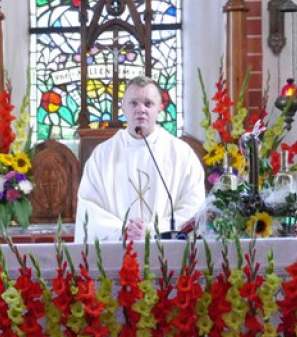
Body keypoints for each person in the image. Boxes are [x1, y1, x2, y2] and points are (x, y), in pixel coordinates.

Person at [74, 76, 205, 242]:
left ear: (160, 108)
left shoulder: (181, 154)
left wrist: (153, 230)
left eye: (148, 103)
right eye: (133, 103)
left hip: (165, 251)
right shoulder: (102, 155)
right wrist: (123, 231)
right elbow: (89, 208)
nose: (140, 109)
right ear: (123, 107)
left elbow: (193, 207)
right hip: (118, 247)